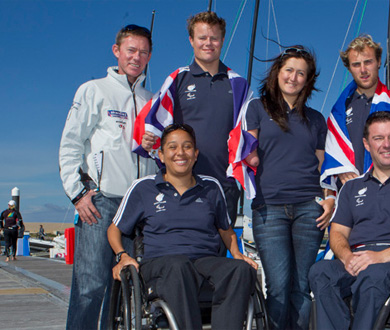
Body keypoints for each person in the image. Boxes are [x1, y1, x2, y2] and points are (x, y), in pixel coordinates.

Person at [108, 123, 258, 329]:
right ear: (161, 155)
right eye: (172, 147)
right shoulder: (143, 188)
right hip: (161, 265)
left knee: (240, 270)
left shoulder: (211, 187)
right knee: (178, 266)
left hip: (204, 261)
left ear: (195, 154)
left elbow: (226, 230)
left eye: (187, 147)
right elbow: (114, 229)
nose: (180, 152)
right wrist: (122, 256)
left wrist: (237, 253)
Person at [58, 24, 157, 329]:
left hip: (141, 206)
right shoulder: (94, 90)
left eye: (143, 52)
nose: (136, 57)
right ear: (117, 51)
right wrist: (77, 193)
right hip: (103, 204)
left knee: (129, 290)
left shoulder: (153, 101)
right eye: (131, 50)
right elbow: (71, 144)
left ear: (150, 56)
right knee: (90, 287)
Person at [309, 111, 390, 330]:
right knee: (320, 272)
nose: (386, 145)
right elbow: (337, 233)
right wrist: (348, 257)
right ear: (367, 144)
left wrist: (379, 257)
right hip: (358, 258)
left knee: (373, 276)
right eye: (378, 138)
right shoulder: (351, 188)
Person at [242, 45, 334, 329]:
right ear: (277, 73)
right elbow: (246, 151)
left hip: (310, 207)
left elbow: (325, 167)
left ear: (308, 80)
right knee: (279, 286)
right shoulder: (257, 108)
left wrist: (330, 199)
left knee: (301, 287)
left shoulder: (317, 119)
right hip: (269, 207)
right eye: (289, 71)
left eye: (301, 73)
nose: (294, 77)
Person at [137, 11, 250, 227]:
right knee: (181, 252)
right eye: (202, 38)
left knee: (216, 258)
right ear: (191, 41)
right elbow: (156, 126)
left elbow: (249, 132)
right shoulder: (177, 78)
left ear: (222, 40)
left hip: (223, 185)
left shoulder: (239, 84)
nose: (208, 43)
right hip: (181, 184)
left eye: (214, 38)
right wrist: (150, 141)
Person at [320, 35, 390, 190]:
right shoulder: (339, 111)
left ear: (378, 62)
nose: (363, 70)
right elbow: (333, 151)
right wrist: (341, 169)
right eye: (356, 64)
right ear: (349, 68)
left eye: (368, 62)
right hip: (351, 193)